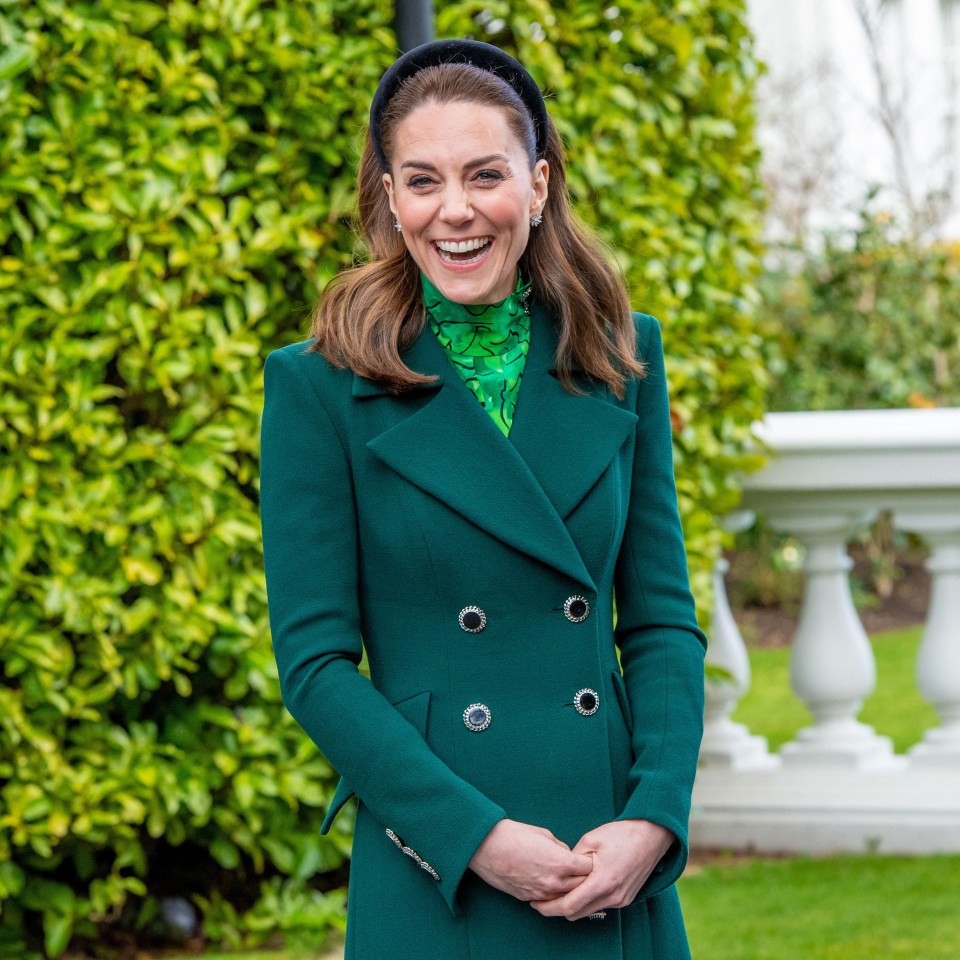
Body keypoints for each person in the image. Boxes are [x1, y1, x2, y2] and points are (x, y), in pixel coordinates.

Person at [259, 38, 707, 960]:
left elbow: (661, 621)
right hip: (441, 862)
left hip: (604, 850)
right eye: (421, 181)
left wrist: (655, 814)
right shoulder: (318, 386)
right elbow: (314, 665)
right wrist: (476, 839)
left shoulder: (622, 355)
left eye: (484, 175)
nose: (454, 211)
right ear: (390, 199)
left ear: (538, 186)